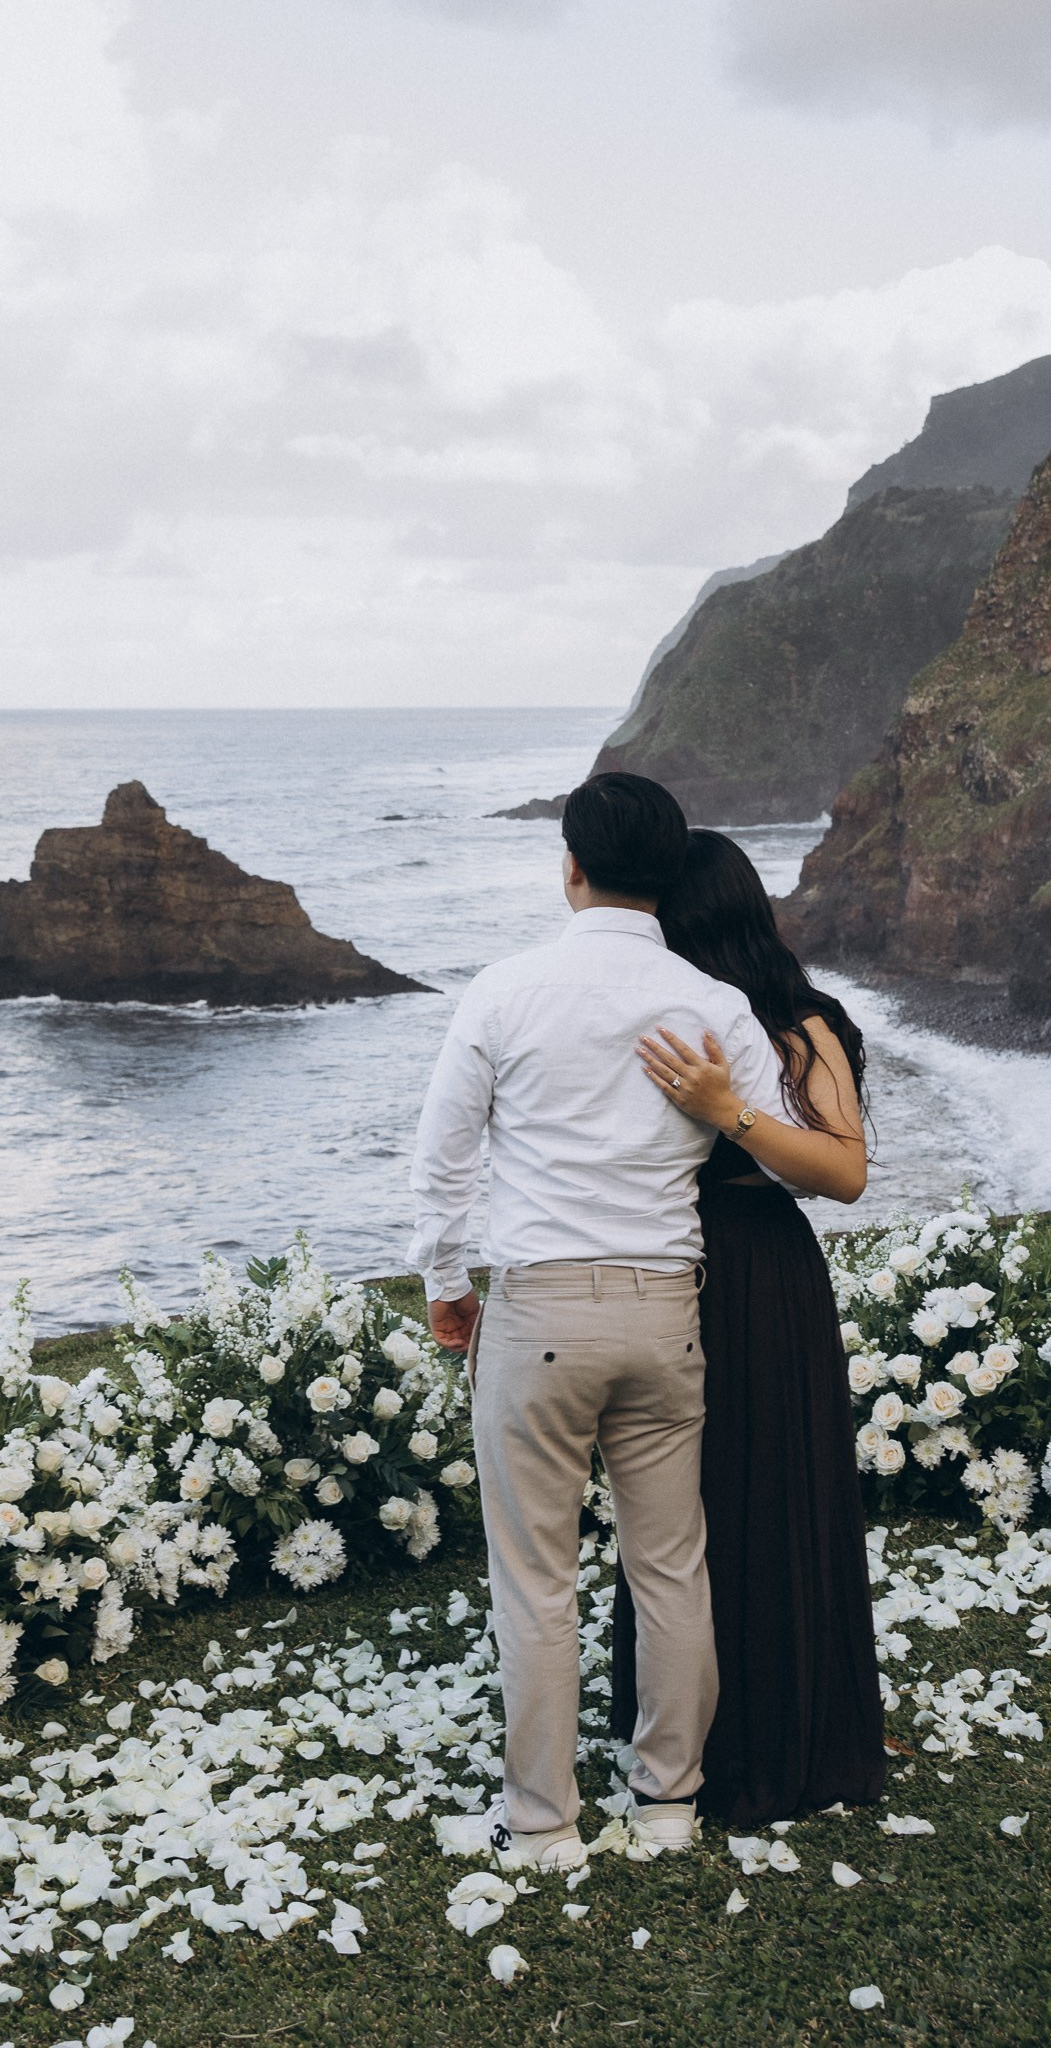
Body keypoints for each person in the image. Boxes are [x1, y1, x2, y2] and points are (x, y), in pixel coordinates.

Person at [406, 771, 797, 1874]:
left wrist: (445, 1282)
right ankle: (665, 1808)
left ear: (568, 865)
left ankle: (542, 1826)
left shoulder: (504, 988)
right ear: (665, 873)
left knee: (534, 1577)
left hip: (537, 1313)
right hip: (668, 1308)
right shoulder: (711, 1007)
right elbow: (765, 1143)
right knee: (669, 1566)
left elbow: (442, 1161)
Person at [609, 827, 887, 1821]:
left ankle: (779, 1732)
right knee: (668, 1512)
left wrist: (729, 1111)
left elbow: (844, 1172)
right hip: (657, 1265)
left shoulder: (797, 1025)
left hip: (757, 1272)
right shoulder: (646, 1016)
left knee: (764, 1490)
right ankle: (670, 1730)